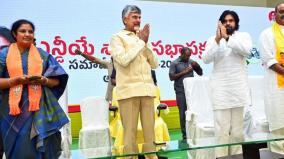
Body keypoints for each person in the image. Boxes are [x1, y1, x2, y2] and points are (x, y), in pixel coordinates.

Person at [0, 19, 69, 159]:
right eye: (22, 31)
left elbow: (57, 80)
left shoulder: (42, 55)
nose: (27, 34)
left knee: (44, 149)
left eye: (30, 31)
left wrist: (44, 80)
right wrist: (15, 81)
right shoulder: (3, 55)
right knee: (18, 150)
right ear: (14, 34)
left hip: (40, 110)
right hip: (11, 113)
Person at [110, 5, 159, 158]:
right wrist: (140, 43)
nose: (138, 20)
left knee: (150, 135)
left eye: (139, 17)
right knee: (129, 136)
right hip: (129, 92)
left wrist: (145, 43)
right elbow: (123, 60)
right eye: (134, 17)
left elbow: (155, 64)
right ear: (125, 19)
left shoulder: (142, 37)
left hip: (148, 91)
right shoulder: (117, 37)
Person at [202, 10, 252, 157]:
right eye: (225, 21)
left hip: (238, 89)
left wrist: (228, 39)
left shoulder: (243, 37)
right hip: (221, 91)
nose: (228, 23)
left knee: (237, 131)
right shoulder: (213, 39)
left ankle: (237, 156)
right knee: (221, 131)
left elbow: (247, 51)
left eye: (231, 20)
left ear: (236, 23)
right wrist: (218, 40)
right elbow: (206, 59)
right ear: (220, 23)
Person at [258, 2, 284, 154]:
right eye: (281, 11)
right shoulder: (266, 34)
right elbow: (269, 61)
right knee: (279, 125)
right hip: (276, 87)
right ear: (274, 14)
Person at [169, 47, 203, 140]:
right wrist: (185, 72)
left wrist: (197, 66)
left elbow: (200, 73)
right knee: (183, 113)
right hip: (180, 91)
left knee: (193, 112)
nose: (188, 58)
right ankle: (185, 135)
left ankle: (193, 132)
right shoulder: (174, 63)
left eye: (189, 56)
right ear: (182, 54)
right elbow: (171, 77)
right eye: (187, 56)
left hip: (192, 92)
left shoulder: (191, 62)